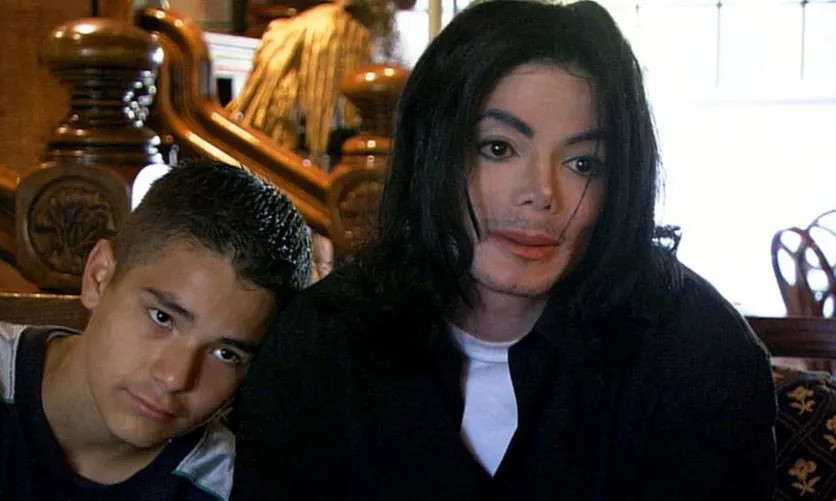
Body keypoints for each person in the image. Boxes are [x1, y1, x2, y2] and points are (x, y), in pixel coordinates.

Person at [231, 1, 776, 499]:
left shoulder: (697, 352)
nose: (540, 193)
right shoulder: (321, 343)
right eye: (498, 148)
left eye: (582, 163)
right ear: (432, 153)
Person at [0, 161, 312, 500]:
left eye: (226, 354)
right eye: (162, 317)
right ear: (99, 277)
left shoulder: (232, 487)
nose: (175, 378)